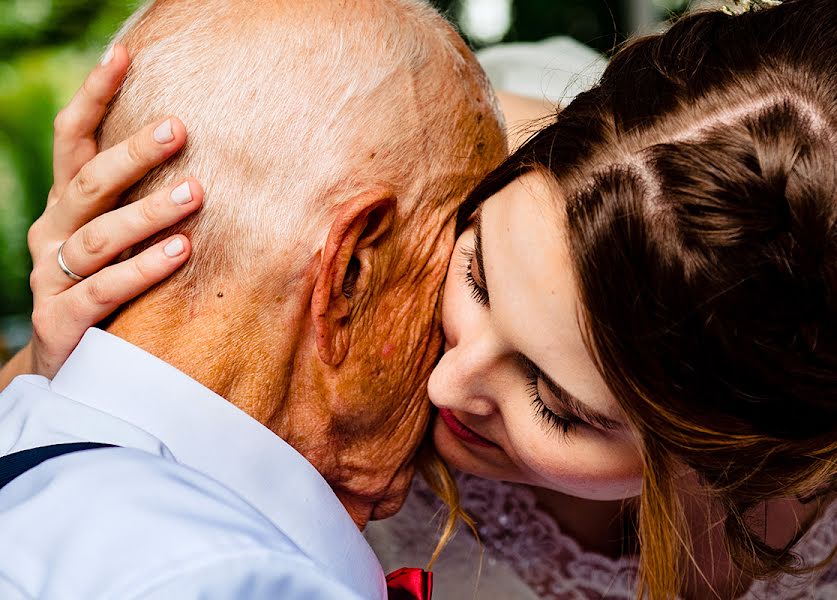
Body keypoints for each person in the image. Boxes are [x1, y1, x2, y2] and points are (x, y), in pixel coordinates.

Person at [4, 0, 837, 599]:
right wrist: (78, 363)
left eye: (557, 404)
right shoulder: (411, 171)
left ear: (739, 460)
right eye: (475, 276)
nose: (447, 383)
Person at [0, 0, 505, 598]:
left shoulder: (32, 447)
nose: (463, 347)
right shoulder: (230, 578)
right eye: (468, 278)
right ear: (349, 275)